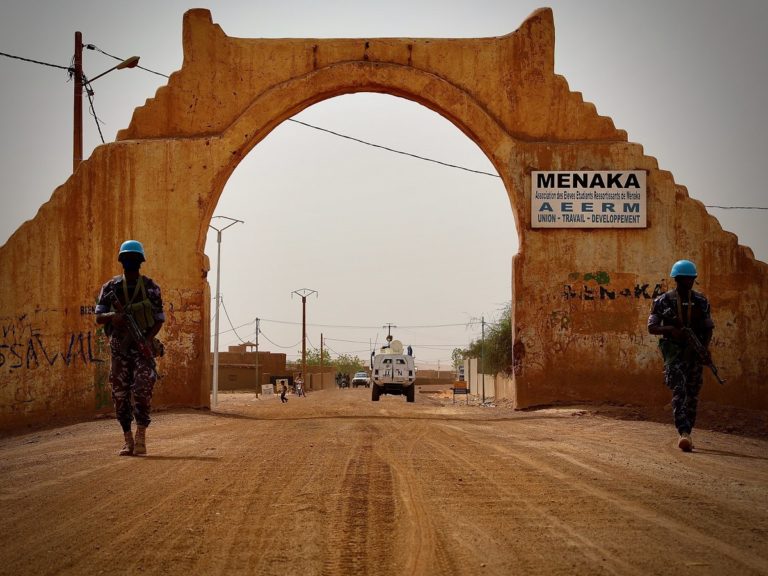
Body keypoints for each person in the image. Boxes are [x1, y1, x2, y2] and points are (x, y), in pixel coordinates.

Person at [95, 240, 165, 456]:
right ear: (122, 261)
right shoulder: (110, 288)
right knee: (119, 394)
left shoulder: (151, 287)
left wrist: (146, 340)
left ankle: (141, 435)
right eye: (127, 259)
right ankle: (127, 439)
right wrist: (114, 317)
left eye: (133, 259)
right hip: (119, 349)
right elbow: (99, 317)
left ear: (140, 262)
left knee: (143, 387)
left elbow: (159, 319)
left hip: (141, 348)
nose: (130, 262)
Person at [647, 259, 714, 452]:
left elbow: (708, 328)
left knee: (692, 394)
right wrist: (671, 329)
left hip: (694, 354)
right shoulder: (662, 301)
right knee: (679, 390)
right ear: (676, 279)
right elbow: (652, 327)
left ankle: (688, 432)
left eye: (692, 278)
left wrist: (703, 348)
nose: (690, 282)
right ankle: (683, 432)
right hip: (674, 353)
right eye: (686, 279)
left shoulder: (701, 301)